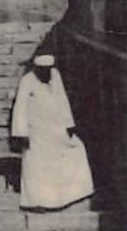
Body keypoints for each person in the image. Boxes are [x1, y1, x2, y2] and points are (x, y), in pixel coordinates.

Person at [9, 53, 94, 211]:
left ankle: (72, 194)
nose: (46, 74)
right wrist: (21, 134)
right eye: (43, 70)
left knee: (75, 150)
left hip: (56, 130)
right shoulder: (27, 81)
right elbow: (20, 109)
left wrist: (69, 124)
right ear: (36, 69)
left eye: (48, 69)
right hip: (36, 132)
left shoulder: (55, 76)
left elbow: (62, 100)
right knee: (37, 166)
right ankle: (35, 201)